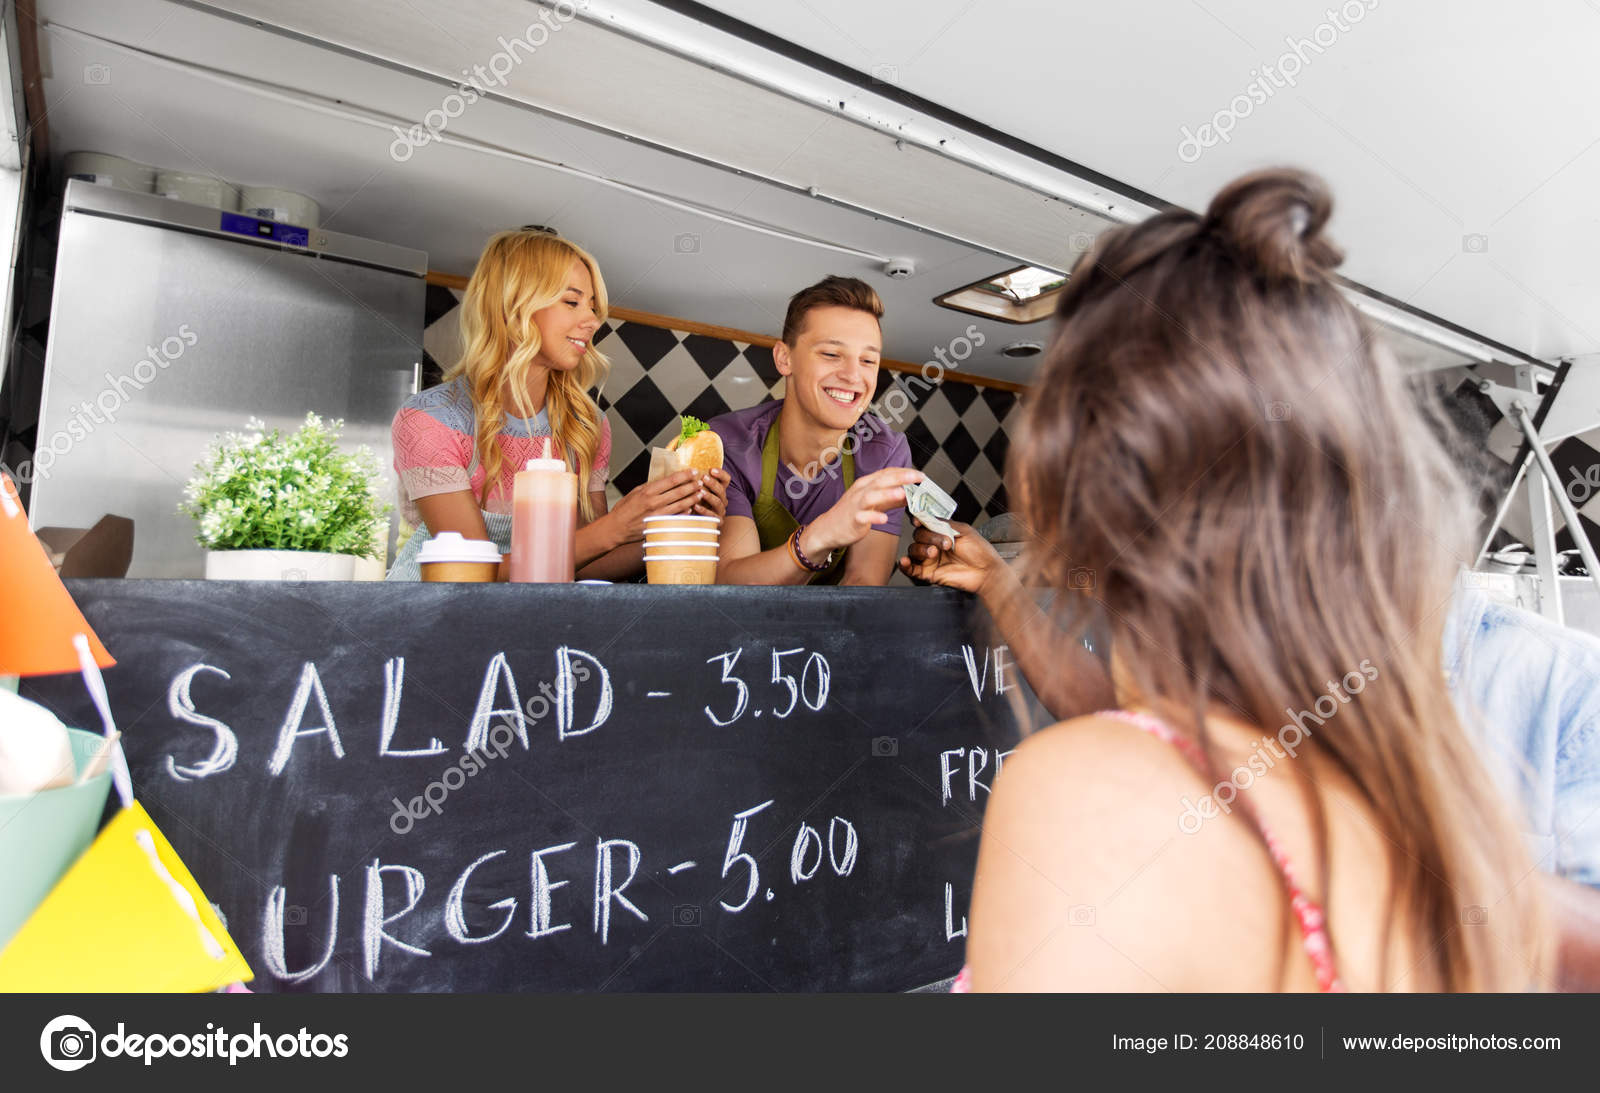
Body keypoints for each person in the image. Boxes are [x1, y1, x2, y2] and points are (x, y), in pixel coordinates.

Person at [904, 169, 1551, 991]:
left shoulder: (1089, 792)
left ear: (1084, 475)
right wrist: (999, 583)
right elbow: (1151, 719)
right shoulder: (1432, 804)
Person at [387, 231, 727, 580]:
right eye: (571, 301)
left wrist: (680, 530)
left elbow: (583, 563)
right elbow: (468, 576)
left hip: (533, 621)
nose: (593, 320)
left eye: (593, 306)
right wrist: (613, 528)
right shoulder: (431, 421)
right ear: (512, 306)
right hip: (428, 622)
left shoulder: (585, 423)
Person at [709, 276, 922, 586]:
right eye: (831, 354)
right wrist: (818, 538)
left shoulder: (885, 452)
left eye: (868, 360)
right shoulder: (729, 443)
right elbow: (731, 582)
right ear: (785, 358)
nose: (852, 375)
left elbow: (863, 584)